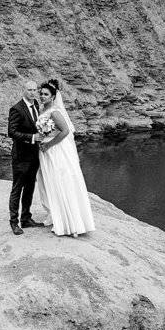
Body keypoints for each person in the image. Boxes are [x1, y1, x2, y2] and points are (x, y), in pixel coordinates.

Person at [34, 79, 95, 237]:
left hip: (55, 151)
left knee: (60, 182)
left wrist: (48, 144)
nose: (42, 96)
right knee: (49, 183)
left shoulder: (55, 111)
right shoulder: (42, 109)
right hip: (45, 151)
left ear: (53, 97)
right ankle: (56, 215)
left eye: (46, 94)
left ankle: (70, 223)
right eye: (41, 93)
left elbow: (65, 131)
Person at [6, 79, 47, 235]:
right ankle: (14, 222)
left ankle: (26, 218)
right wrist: (32, 137)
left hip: (34, 155)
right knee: (17, 189)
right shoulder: (16, 109)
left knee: (30, 187)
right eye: (29, 90)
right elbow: (12, 132)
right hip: (21, 156)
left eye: (34, 90)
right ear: (23, 90)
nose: (32, 92)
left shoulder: (36, 104)